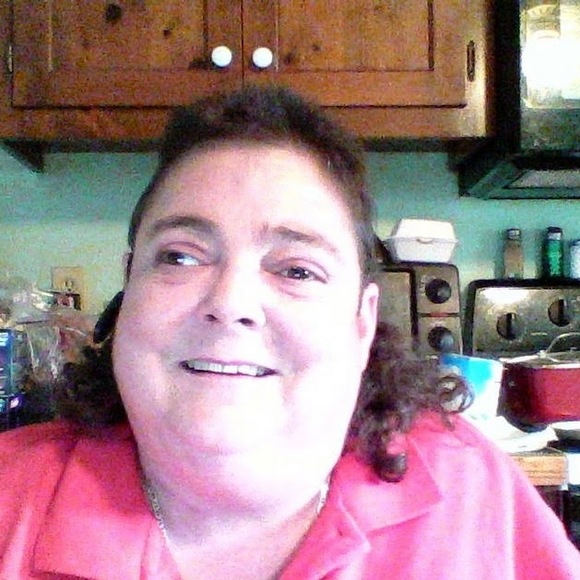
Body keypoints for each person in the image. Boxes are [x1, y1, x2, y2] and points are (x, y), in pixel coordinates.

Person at [1, 85, 579, 580]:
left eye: (297, 270)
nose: (229, 303)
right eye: (180, 256)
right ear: (129, 286)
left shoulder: (471, 490)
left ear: (362, 321)